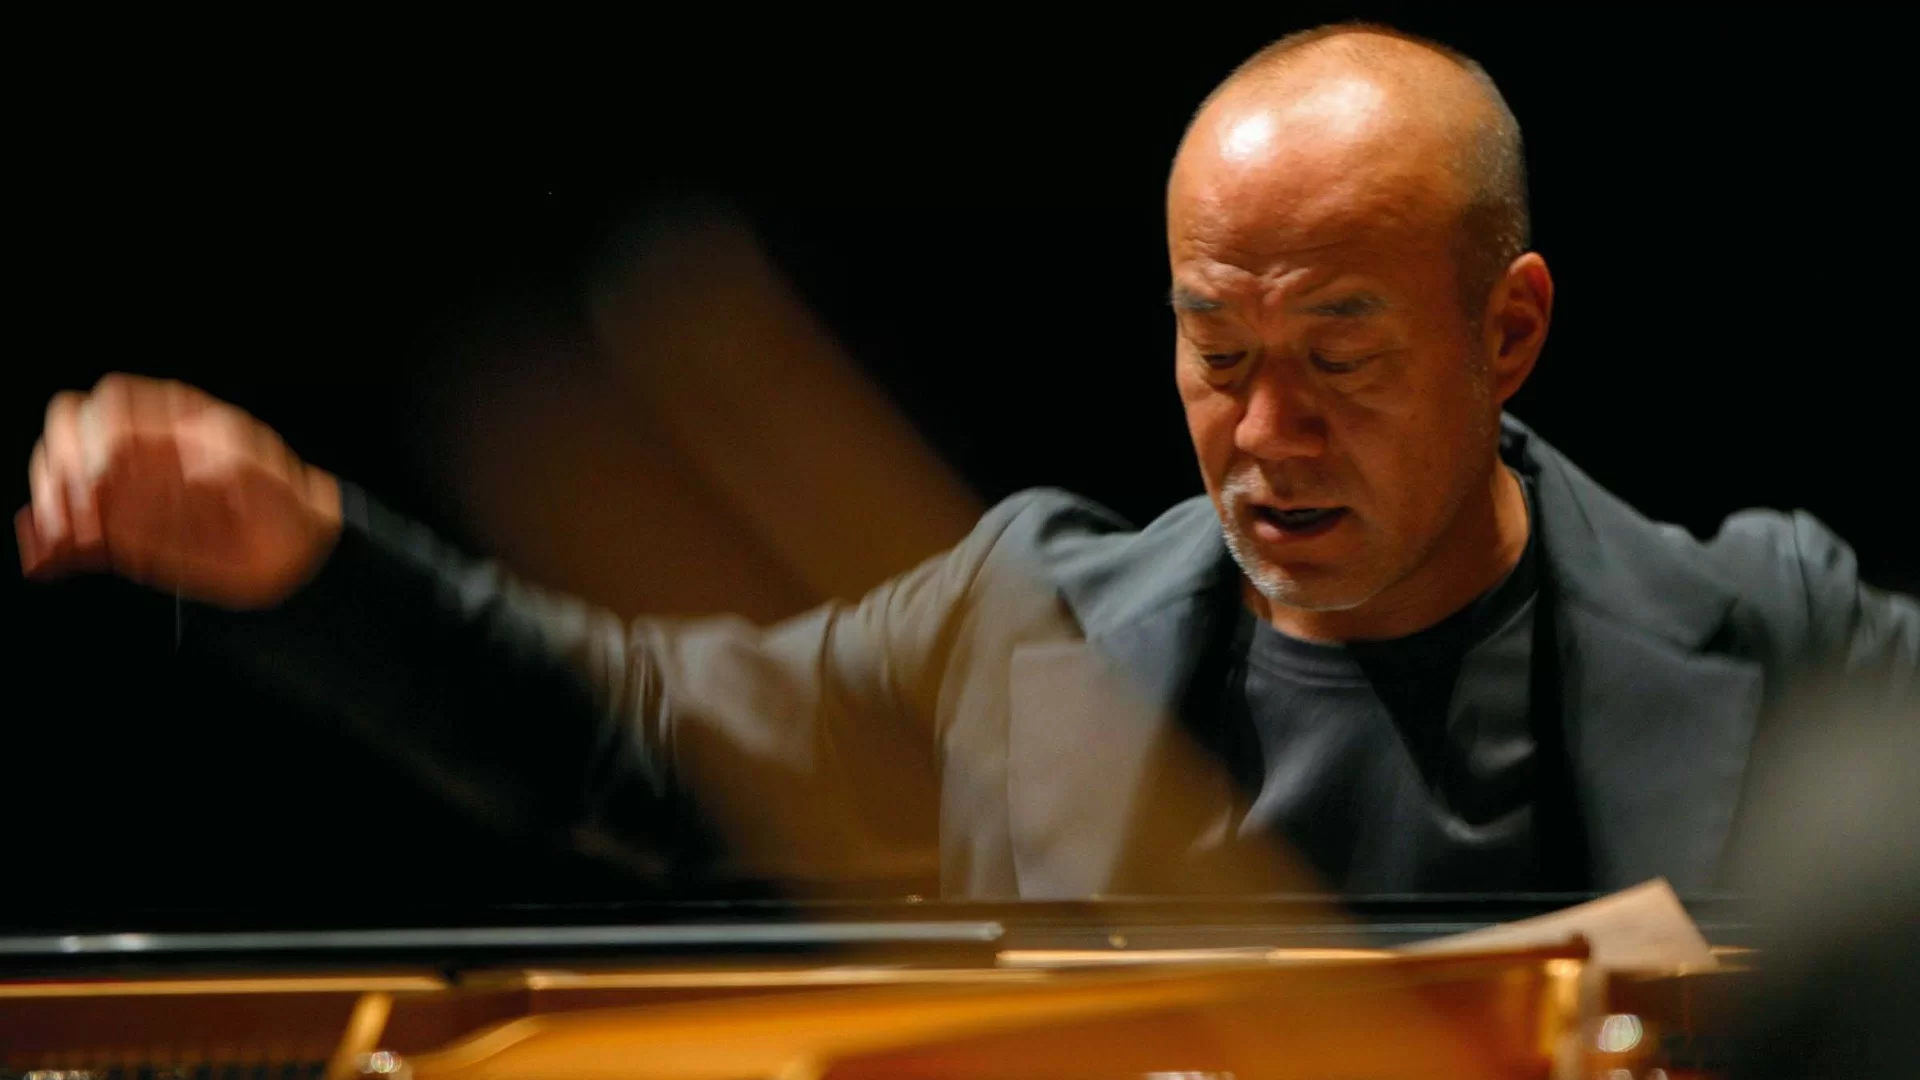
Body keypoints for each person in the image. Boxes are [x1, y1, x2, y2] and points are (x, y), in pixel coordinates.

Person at [17, 24, 1916, 900]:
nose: (1265, 433)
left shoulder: (1775, 632)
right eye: (1217, 351)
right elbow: (630, 734)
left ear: (1507, 333)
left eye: (1341, 356)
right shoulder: (1032, 624)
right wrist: (315, 555)